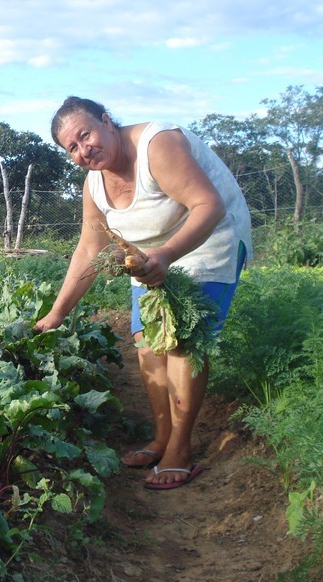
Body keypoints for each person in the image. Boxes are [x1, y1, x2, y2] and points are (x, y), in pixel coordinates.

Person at [35, 97, 252, 489]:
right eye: (72, 148)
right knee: (148, 343)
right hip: (151, 253)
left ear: (107, 121)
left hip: (209, 238)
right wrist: (56, 313)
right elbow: (89, 248)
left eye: (86, 135)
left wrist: (166, 255)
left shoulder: (158, 145)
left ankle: (180, 451)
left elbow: (209, 204)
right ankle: (162, 437)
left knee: (183, 340)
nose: (84, 150)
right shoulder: (94, 185)